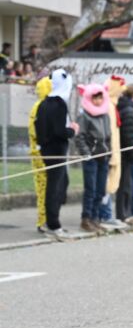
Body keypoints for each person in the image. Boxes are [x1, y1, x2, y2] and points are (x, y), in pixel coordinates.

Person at [35, 69, 79, 239]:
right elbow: (59, 131)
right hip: (56, 150)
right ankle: (53, 223)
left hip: (47, 149)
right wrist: (72, 130)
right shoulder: (59, 104)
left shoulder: (44, 103)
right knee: (55, 186)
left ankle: (52, 220)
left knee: (60, 184)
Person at [74, 83, 113, 233]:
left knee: (100, 190)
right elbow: (79, 137)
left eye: (100, 98)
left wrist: (108, 152)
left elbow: (107, 137)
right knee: (90, 189)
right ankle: (86, 218)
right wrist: (86, 153)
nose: (98, 101)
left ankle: (95, 218)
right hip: (91, 158)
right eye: (95, 98)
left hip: (103, 157)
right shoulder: (84, 116)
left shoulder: (105, 116)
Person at [98, 75, 128, 230]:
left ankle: (106, 214)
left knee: (109, 183)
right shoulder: (108, 106)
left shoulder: (112, 105)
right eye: (120, 91)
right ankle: (106, 214)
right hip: (110, 152)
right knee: (106, 184)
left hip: (114, 151)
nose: (121, 95)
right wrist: (110, 152)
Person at [28, 76, 52, 234]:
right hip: (40, 154)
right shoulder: (41, 107)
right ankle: (42, 221)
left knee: (47, 188)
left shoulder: (42, 106)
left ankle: (46, 219)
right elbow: (34, 131)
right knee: (43, 188)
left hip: (39, 153)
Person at [115, 84, 133, 224]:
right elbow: (129, 133)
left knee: (125, 184)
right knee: (125, 184)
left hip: (124, 151)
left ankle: (124, 212)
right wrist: (132, 152)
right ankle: (123, 213)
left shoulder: (124, 107)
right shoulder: (129, 110)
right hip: (126, 152)